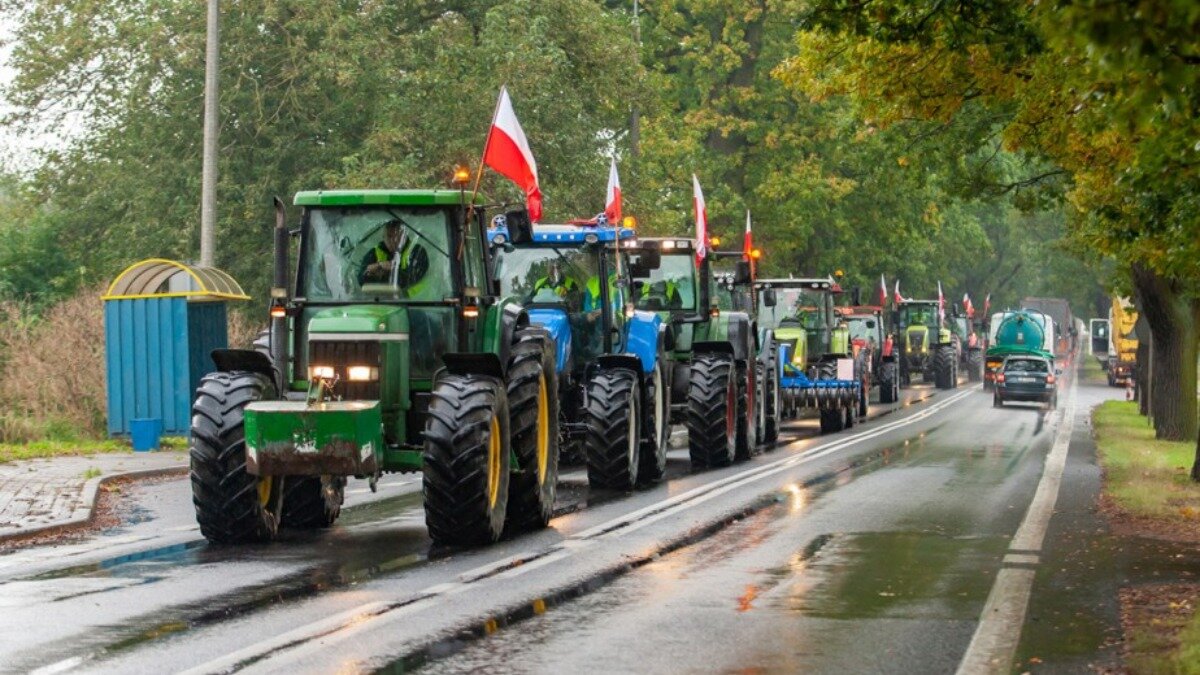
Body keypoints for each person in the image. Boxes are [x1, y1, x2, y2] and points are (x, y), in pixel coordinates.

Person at [359, 218, 429, 291]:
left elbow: (412, 278)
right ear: (383, 237)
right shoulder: (374, 253)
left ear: (404, 236)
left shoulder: (417, 251)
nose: (393, 240)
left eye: (398, 236)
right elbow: (361, 280)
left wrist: (391, 269)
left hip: (418, 300)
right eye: (389, 236)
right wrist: (373, 269)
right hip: (379, 301)